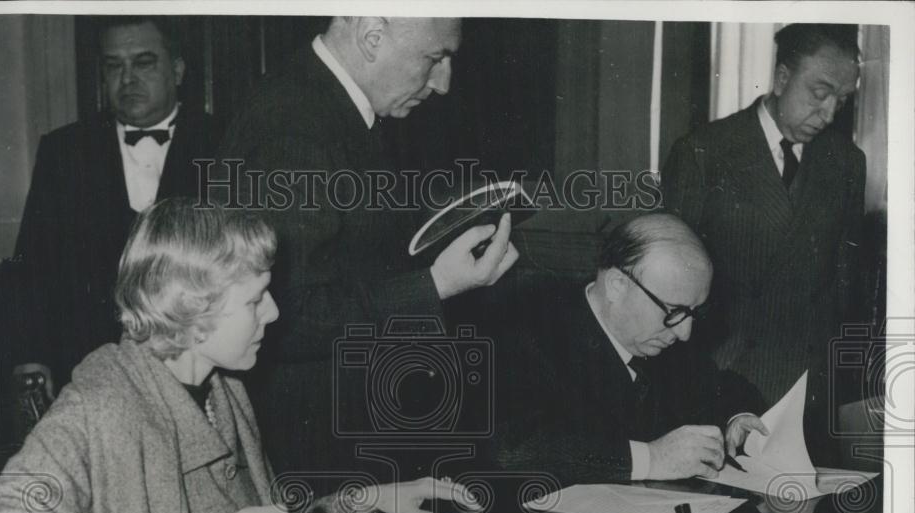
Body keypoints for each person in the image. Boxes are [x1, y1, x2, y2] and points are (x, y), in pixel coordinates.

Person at [0, 199, 478, 513]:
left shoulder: (221, 385)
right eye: (255, 300)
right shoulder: (100, 402)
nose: (273, 313)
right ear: (193, 310)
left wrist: (369, 501)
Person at [215, 17, 518, 480]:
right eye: (434, 58)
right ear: (372, 36)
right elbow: (289, 316)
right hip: (312, 451)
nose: (443, 83)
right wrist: (436, 285)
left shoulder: (335, 107)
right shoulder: (293, 125)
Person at [661, 24, 866, 458]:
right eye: (820, 92)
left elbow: (844, 288)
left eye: (842, 100)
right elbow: (672, 283)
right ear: (781, 78)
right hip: (725, 390)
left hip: (809, 395)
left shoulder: (847, 163)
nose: (829, 113)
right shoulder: (704, 151)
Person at [13, 16, 219, 397]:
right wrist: (31, 357)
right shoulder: (64, 151)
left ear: (177, 70)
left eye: (143, 62)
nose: (127, 80)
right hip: (89, 367)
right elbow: (33, 266)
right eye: (113, 66)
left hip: (194, 363)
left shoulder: (223, 143)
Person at [497, 214, 768, 485]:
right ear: (616, 285)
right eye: (674, 311)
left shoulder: (659, 338)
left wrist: (737, 418)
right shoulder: (528, 335)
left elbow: (719, 387)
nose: (684, 333)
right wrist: (651, 459)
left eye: (695, 312)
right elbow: (516, 449)